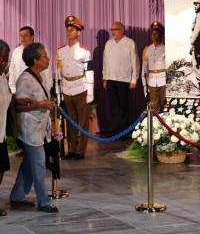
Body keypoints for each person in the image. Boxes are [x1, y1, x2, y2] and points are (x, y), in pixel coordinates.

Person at [9, 42, 58, 213]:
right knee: (38, 164)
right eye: (45, 56)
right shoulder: (25, 79)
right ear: (36, 61)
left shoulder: (39, 76)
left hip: (39, 128)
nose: (48, 59)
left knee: (29, 165)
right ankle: (44, 201)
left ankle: (17, 196)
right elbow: (19, 106)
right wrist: (41, 104)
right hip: (30, 129)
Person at [9, 26, 53, 157]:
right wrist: (12, 90)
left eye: (25, 35)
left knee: (33, 160)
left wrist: (45, 95)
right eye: (21, 35)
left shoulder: (41, 52)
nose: (23, 38)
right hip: (21, 95)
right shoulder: (17, 52)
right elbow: (12, 72)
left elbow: (48, 78)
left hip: (39, 95)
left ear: (32, 36)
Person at [56, 16, 94, 160]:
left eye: (72, 30)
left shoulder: (84, 51)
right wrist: (59, 94)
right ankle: (71, 149)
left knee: (82, 122)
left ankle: (80, 150)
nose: (69, 32)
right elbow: (58, 73)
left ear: (78, 32)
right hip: (66, 88)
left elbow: (89, 72)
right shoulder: (61, 51)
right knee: (70, 121)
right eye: (68, 29)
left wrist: (89, 93)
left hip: (80, 87)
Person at [102, 22, 140, 138]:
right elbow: (105, 62)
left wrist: (134, 79)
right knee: (114, 107)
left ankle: (124, 131)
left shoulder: (129, 43)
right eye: (112, 29)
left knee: (123, 107)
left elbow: (135, 62)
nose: (113, 32)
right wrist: (105, 78)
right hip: (111, 79)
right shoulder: (108, 44)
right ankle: (115, 130)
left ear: (122, 30)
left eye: (116, 29)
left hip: (124, 80)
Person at [141, 21, 166, 113]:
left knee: (165, 105)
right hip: (151, 81)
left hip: (163, 81)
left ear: (161, 35)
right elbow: (144, 69)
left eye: (156, 34)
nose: (153, 36)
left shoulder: (165, 48)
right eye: (152, 33)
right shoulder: (147, 49)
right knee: (154, 108)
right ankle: (156, 127)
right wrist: (145, 86)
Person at [0, 40, 12, 216]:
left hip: (0, 132)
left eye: (6, 60)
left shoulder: (2, 76)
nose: (4, 64)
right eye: (1, 60)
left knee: (1, 168)